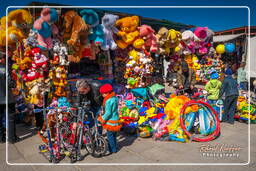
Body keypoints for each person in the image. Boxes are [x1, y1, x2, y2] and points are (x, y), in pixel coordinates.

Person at [98, 84, 121, 154]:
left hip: (110, 121)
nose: (102, 95)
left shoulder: (108, 101)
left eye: (103, 94)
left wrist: (101, 119)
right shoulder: (115, 98)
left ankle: (112, 149)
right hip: (116, 119)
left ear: (107, 93)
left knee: (110, 136)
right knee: (114, 135)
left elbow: (108, 113)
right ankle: (115, 147)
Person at [0, 63, 18, 143]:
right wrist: (14, 81)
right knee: (10, 118)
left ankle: (1, 138)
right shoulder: (4, 68)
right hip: (7, 98)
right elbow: (11, 83)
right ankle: (12, 138)